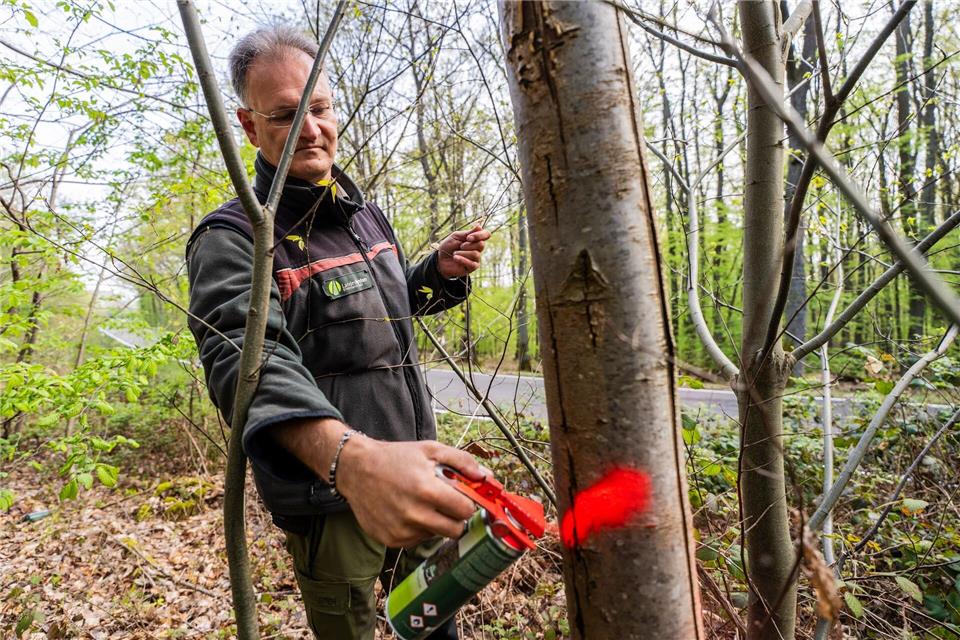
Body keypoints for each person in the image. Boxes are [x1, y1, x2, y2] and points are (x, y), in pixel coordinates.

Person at [185, 25, 491, 639]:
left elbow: (380, 311)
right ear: (249, 127)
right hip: (332, 498)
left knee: (434, 624)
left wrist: (434, 272)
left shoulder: (362, 214)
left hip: (416, 466)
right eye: (285, 116)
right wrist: (351, 463)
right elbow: (249, 361)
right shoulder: (235, 238)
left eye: (320, 109)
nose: (311, 129)